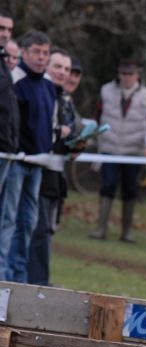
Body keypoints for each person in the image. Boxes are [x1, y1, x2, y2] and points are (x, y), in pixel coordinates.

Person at [0, 31, 56, 283]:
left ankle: (19, 278)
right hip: (16, 162)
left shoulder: (48, 85)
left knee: (28, 224)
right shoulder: (15, 80)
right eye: (36, 52)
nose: (41, 58)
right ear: (24, 52)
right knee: (8, 220)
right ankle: (4, 275)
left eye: (45, 53)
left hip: (38, 164)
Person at [89, 58, 146, 242]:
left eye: (130, 74)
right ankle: (101, 228)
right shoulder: (106, 91)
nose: (127, 77)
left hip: (134, 151)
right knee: (107, 186)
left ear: (137, 75)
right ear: (118, 74)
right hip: (109, 148)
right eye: (123, 74)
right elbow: (97, 117)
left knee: (130, 190)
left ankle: (126, 232)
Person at [27, 48, 75, 286]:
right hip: (36, 168)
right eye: (58, 66)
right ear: (47, 66)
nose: (63, 72)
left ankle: (38, 280)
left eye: (66, 69)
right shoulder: (42, 91)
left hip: (55, 174)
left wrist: (75, 142)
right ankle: (36, 282)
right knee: (37, 229)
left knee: (45, 230)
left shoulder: (64, 98)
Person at [0, 8, 18, 199]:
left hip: (5, 149)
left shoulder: (4, 64)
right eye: (1, 28)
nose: (5, 33)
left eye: (9, 29)